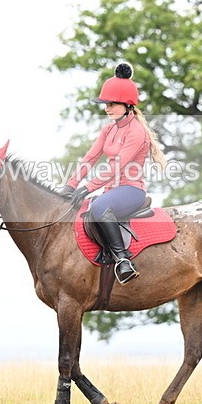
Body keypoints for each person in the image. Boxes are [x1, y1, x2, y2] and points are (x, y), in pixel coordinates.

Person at [61, 63, 166, 284]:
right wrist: (70, 185)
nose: (106, 108)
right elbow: (90, 158)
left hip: (131, 190)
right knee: (81, 209)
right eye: (105, 104)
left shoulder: (137, 131)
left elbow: (116, 167)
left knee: (98, 207)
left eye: (111, 104)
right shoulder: (108, 129)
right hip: (111, 190)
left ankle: (123, 260)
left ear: (127, 105)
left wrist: (87, 188)